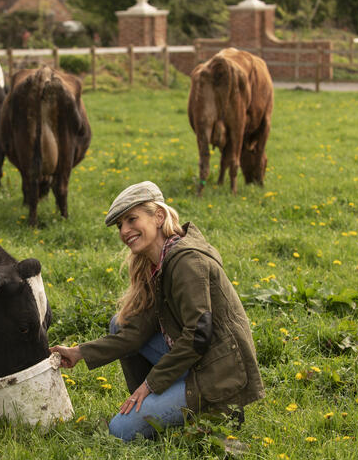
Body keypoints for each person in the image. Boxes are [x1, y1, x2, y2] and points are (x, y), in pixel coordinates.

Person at [50, 181, 265, 441]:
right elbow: (136, 334)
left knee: (120, 431)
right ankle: (155, 402)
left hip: (217, 371)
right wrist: (80, 352)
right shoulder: (158, 262)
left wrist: (151, 383)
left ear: (159, 216)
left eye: (132, 219)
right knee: (120, 324)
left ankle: (217, 410)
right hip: (196, 360)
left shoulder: (186, 262)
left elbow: (199, 335)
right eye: (120, 225)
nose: (125, 231)